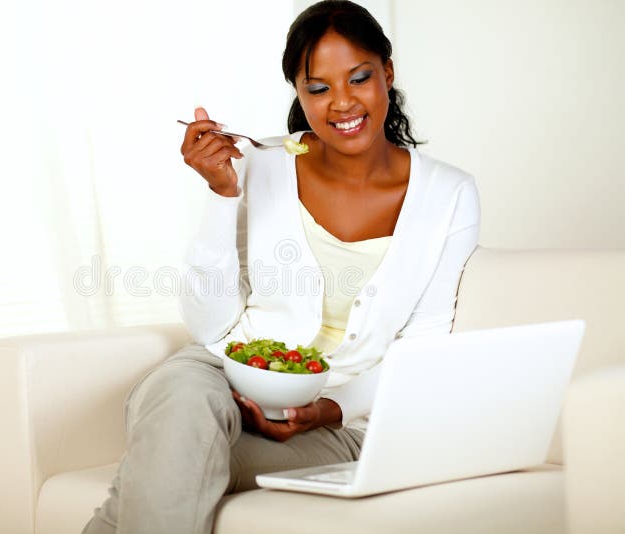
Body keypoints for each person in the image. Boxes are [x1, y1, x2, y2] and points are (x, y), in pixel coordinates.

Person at [83, 1, 480, 532]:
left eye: (359, 78)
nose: (342, 103)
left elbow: (424, 348)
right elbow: (209, 327)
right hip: (216, 379)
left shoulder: (450, 194)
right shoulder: (261, 165)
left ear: (387, 71)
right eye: (318, 89)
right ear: (298, 92)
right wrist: (224, 196)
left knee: (167, 467)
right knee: (181, 412)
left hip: (337, 425)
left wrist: (329, 408)